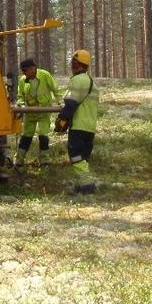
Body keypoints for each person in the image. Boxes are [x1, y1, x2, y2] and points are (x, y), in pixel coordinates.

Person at [56, 49, 99, 195]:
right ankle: (82, 184)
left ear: (78, 64)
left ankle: (87, 185)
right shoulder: (92, 82)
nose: (71, 66)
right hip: (90, 127)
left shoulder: (77, 80)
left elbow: (71, 103)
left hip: (78, 126)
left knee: (76, 156)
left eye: (73, 63)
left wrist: (61, 121)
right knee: (83, 158)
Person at [14, 57, 61, 167]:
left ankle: (44, 160)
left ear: (32, 69)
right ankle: (19, 160)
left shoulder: (45, 75)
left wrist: (60, 102)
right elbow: (20, 96)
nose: (24, 73)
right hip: (30, 112)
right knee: (26, 136)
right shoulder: (23, 80)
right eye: (22, 71)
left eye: (25, 71)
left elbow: (55, 89)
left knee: (43, 135)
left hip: (44, 111)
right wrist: (20, 104)